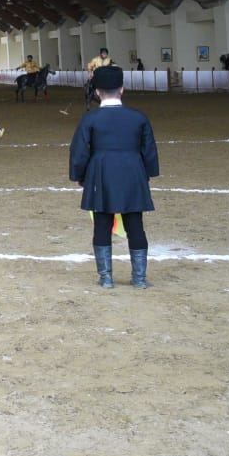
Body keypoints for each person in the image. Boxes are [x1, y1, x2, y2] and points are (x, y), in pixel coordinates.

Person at [69, 65, 159, 289]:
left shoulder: (90, 119)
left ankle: (106, 278)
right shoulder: (138, 118)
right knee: (135, 225)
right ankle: (139, 278)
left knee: (102, 225)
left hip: (101, 172)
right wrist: (145, 174)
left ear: (97, 92)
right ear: (122, 89)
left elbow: (79, 152)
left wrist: (80, 176)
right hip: (132, 172)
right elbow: (149, 150)